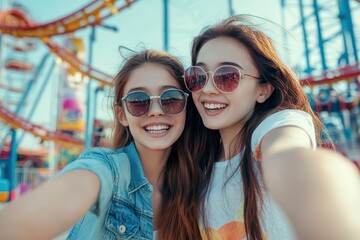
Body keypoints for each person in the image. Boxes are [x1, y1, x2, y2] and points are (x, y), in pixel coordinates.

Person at [183, 15, 360, 240]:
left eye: (227, 76)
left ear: (263, 90)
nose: (207, 89)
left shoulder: (275, 128)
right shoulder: (197, 167)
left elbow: (289, 156)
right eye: (197, 76)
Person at [0, 49, 207, 240]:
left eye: (170, 98)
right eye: (138, 101)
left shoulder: (199, 187)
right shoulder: (107, 170)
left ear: (187, 107)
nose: (155, 111)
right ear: (122, 115)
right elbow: (73, 190)